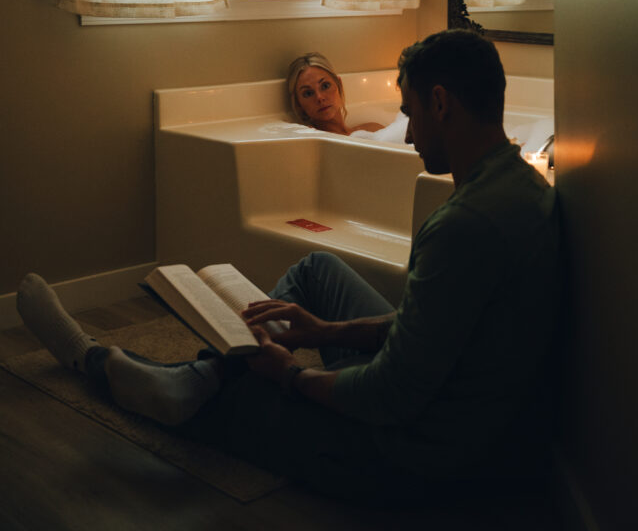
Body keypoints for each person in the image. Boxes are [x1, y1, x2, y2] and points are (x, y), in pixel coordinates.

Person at [17, 29, 563, 502]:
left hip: (412, 456)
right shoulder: (520, 186)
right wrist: (325, 330)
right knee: (317, 269)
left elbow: (387, 396)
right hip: (457, 414)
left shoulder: (463, 226)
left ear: (440, 103)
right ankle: (208, 375)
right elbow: (440, 328)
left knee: (254, 391)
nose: (412, 133)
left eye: (411, 113)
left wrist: (294, 375)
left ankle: (129, 374)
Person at [286, 51, 383, 135]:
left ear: (339, 84)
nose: (319, 97)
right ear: (298, 104)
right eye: (308, 93)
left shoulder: (374, 129)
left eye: (325, 86)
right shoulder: (314, 144)